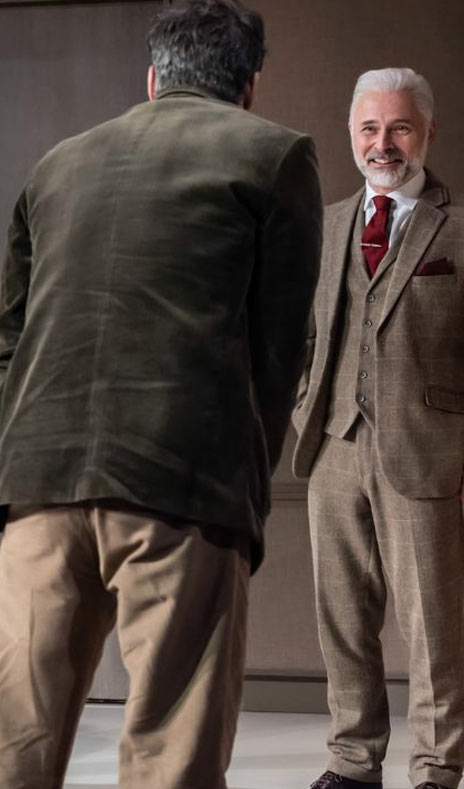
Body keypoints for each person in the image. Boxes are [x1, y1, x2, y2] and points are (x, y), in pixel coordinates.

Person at [0, 1, 323, 786]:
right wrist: (243, 478)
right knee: (170, 739)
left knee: (13, 736)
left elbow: (8, 335)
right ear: (248, 85)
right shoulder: (275, 155)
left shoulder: (61, 160)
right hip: (181, 483)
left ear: (152, 77)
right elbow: (281, 347)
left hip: (39, 478)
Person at [291, 68, 464, 789]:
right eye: (369, 128)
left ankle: (437, 765)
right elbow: (302, 333)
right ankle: (353, 759)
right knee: (342, 619)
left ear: (425, 133)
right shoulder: (328, 224)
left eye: (398, 127)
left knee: (433, 626)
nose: (382, 143)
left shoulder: (456, 228)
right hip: (334, 443)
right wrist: (307, 403)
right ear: (352, 134)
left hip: (427, 451)